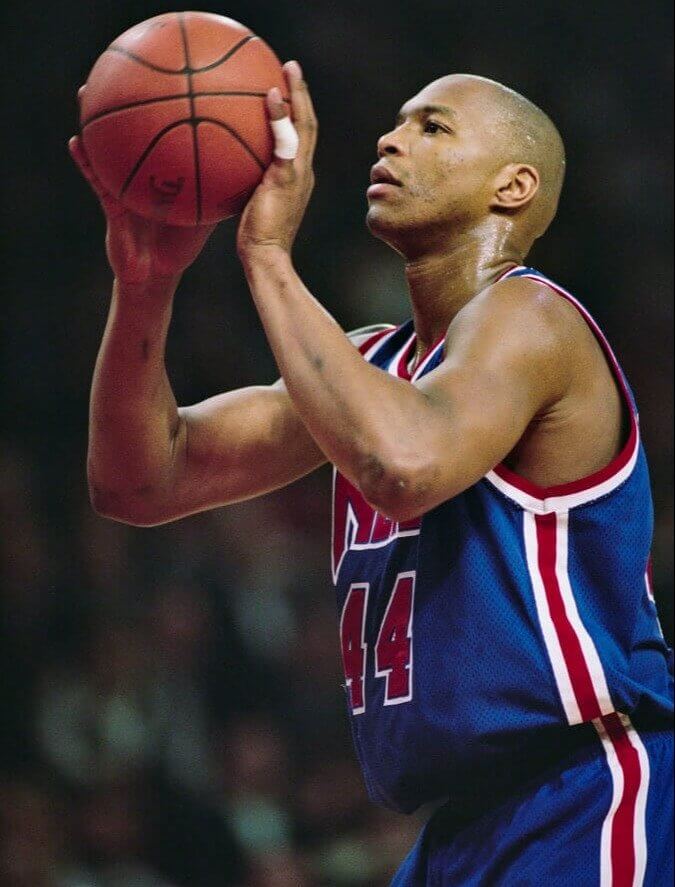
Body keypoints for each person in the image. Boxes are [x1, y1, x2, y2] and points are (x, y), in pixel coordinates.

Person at [70, 61, 673, 885]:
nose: (390, 140)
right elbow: (139, 481)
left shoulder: (534, 317)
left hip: (581, 792)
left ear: (512, 186)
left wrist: (267, 254)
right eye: (395, 122)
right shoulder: (371, 367)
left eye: (432, 126)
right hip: (457, 828)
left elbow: (403, 465)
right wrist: (146, 285)